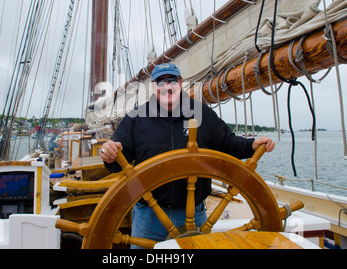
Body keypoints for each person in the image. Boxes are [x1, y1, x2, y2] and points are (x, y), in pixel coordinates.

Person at [100, 63, 275, 247]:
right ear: (153, 86)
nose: (167, 86)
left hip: (194, 214)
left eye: (172, 80)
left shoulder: (201, 113)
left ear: (180, 83)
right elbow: (119, 160)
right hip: (148, 216)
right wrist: (110, 155)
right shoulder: (135, 118)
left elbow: (227, 143)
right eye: (160, 81)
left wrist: (251, 145)